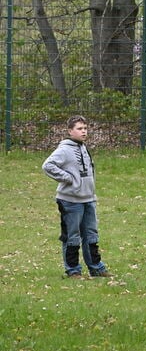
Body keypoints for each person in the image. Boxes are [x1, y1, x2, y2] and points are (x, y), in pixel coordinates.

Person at [42, 116, 112, 279]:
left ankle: (96, 267)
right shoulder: (64, 149)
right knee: (72, 236)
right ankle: (73, 270)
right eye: (80, 128)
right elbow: (48, 166)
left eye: (85, 128)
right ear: (70, 131)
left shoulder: (83, 147)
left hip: (88, 198)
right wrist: (67, 178)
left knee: (91, 234)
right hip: (70, 201)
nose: (84, 131)